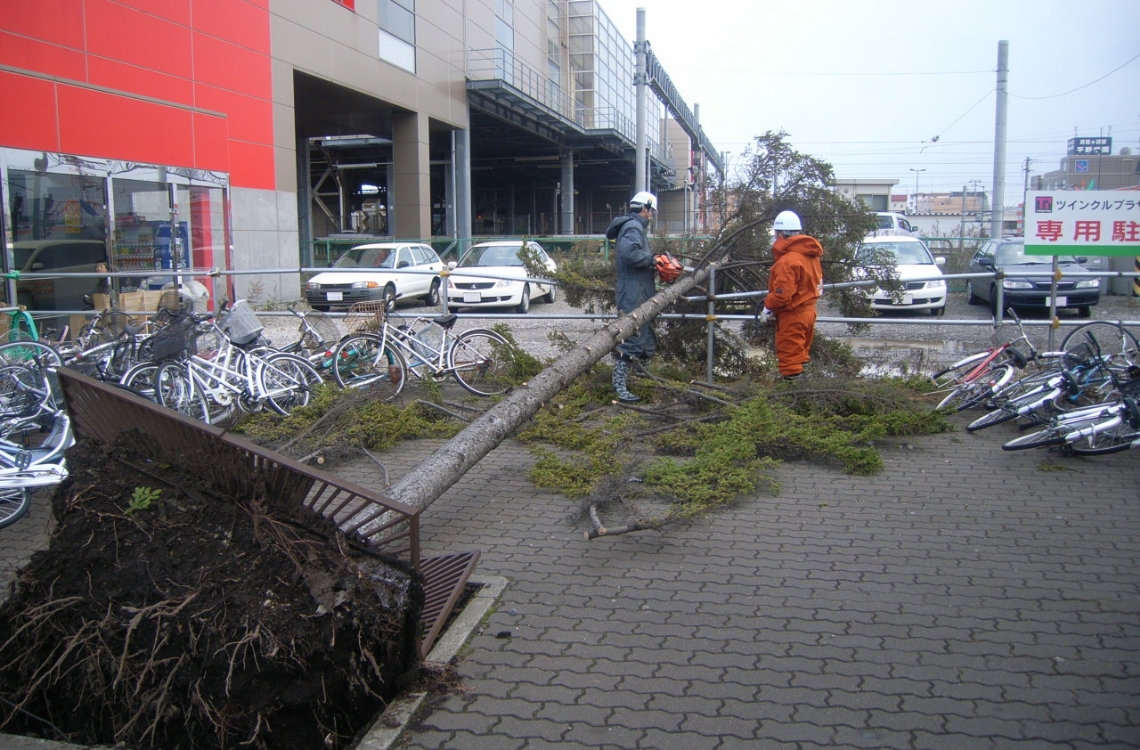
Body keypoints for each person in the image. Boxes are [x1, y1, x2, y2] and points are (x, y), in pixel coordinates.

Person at [604, 190, 658, 403]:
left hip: (640, 288)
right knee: (631, 336)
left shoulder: (634, 227)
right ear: (645, 208)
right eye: (651, 211)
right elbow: (629, 253)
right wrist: (653, 261)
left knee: (647, 337)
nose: (651, 215)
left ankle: (641, 381)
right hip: (633, 291)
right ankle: (620, 387)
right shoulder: (634, 226)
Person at [761, 210, 823, 380]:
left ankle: (792, 401)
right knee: (801, 357)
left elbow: (782, 295)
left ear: (781, 234)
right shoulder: (809, 255)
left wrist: (767, 306)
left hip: (793, 315)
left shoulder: (788, 261)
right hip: (808, 312)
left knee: (790, 362)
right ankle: (806, 395)